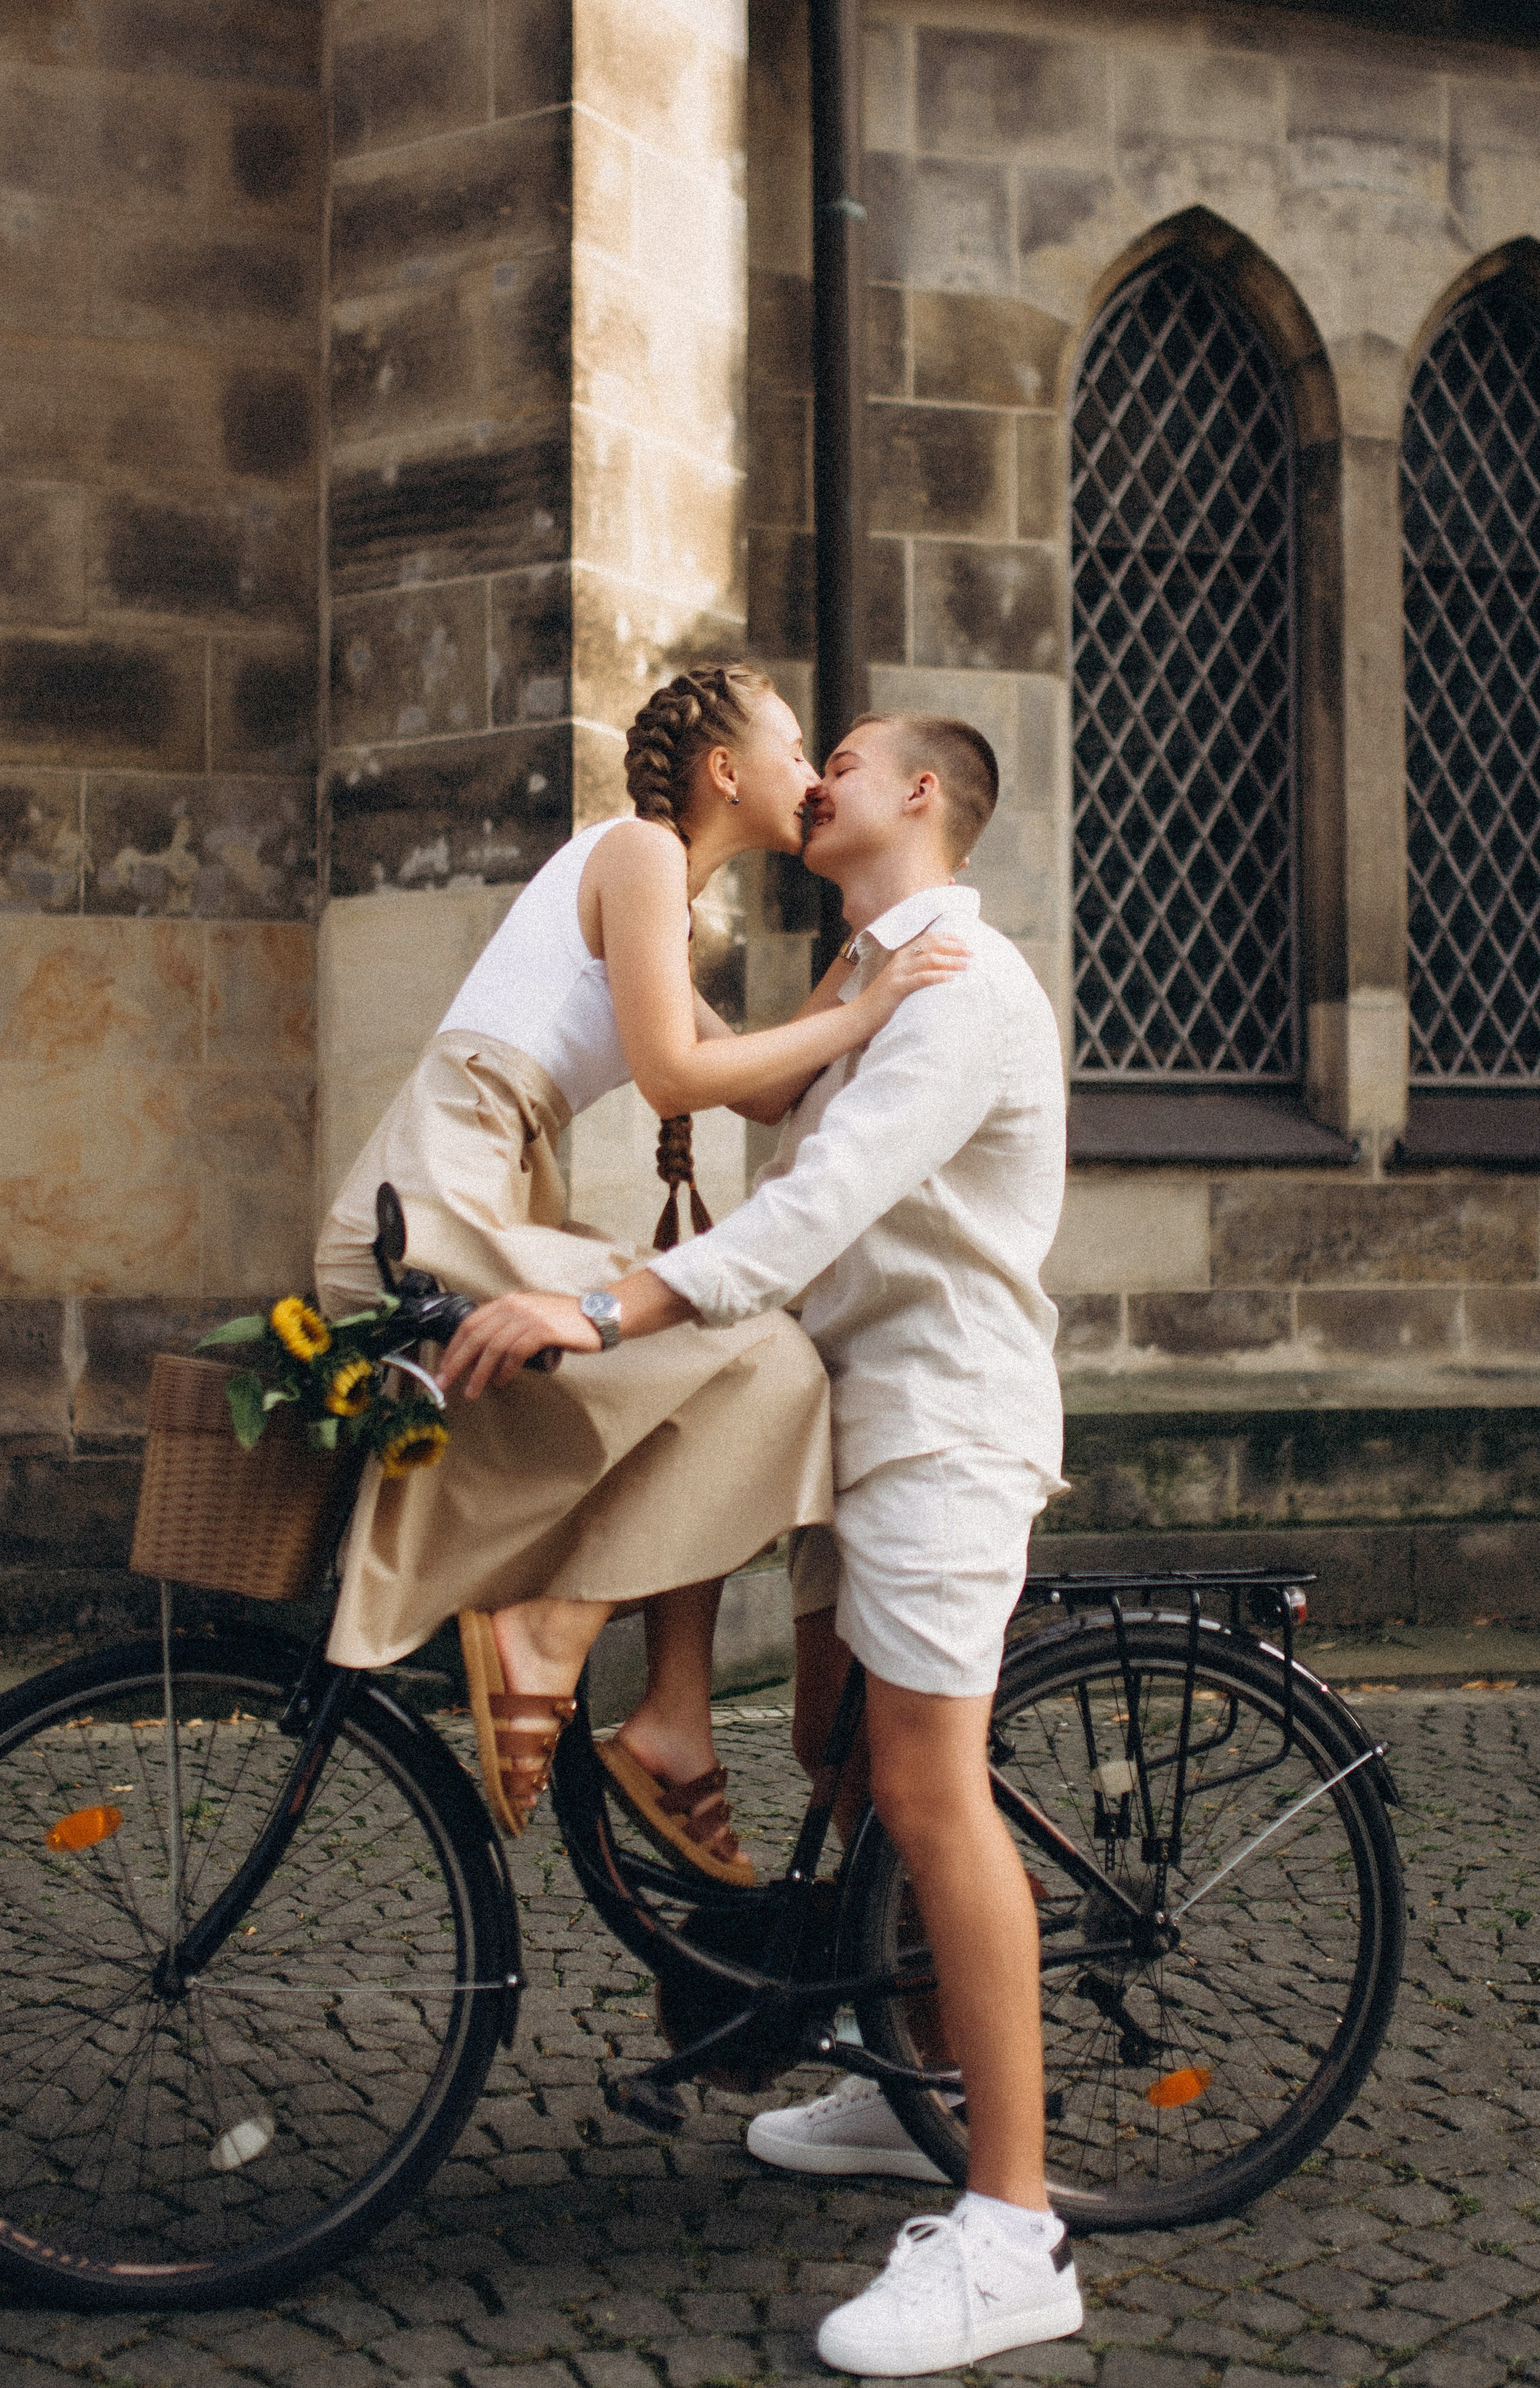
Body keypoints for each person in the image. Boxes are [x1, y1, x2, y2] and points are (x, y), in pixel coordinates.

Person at [437, 709, 1081, 2377]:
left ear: (921, 794)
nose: (823, 775)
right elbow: (730, 1145)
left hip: (940, 1425)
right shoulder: (864, 979)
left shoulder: (957, 982)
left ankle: (1013, 2226)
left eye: (848, 754)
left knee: (931, 1789)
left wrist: (601, 1304)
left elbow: (817, 1208)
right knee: (838, 1759)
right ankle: (904, 2086)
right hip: (847, 1421)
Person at [314, 666, 968, 1879]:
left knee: (760, 1381)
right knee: (765, 1355)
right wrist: (872, 1011)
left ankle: (670, 1719)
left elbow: (765, 1085)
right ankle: (555, 1631)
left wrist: (867, 966)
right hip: (437, 1203)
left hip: (471, 1193)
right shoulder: (640, 853)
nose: (815, 776)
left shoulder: (657, 897)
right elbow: (676, 1076)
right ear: (727, 771)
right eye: (794, 751)